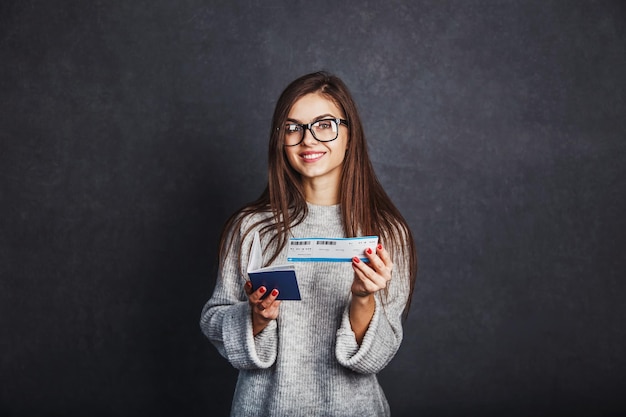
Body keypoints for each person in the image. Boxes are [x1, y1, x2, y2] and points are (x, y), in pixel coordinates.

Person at [200, 71, 417, 417]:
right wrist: (255, 318)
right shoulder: (252, 227)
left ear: (350, 136)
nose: (308, 140)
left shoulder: (387, 234)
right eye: (293, 127)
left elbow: (379, 352)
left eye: (325, 124)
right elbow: (214, 320)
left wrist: (363, 297)